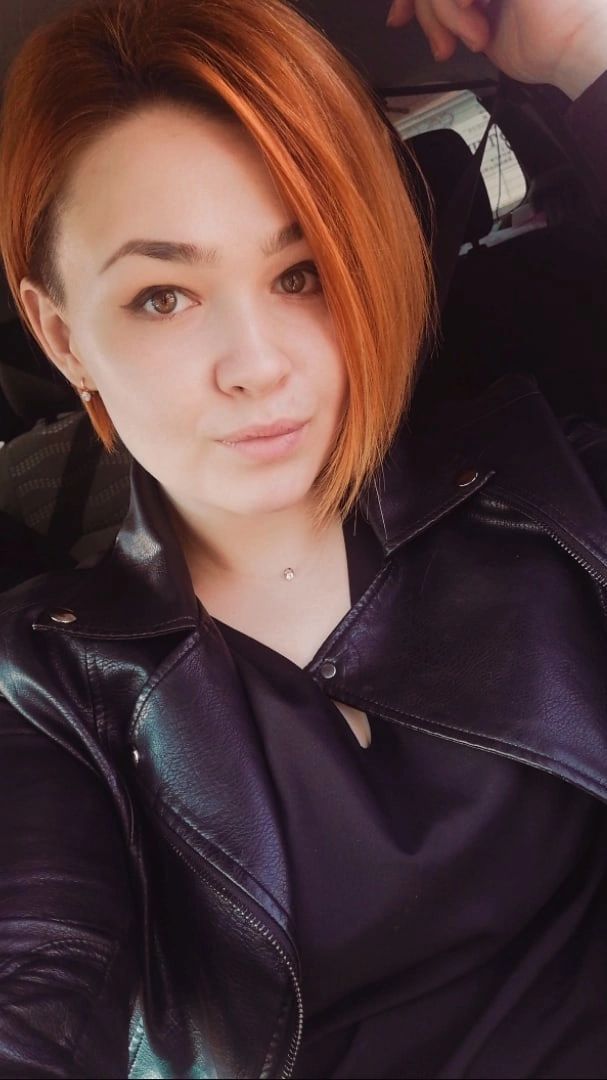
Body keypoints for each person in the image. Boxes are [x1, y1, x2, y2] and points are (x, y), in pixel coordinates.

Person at [1, 0, 607, 1076]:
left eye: (301, 273)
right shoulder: (43, 692)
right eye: (162, 296)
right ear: (62, 335)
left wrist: (579, 57)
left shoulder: (544, 479)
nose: (256, 364)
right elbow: (36, 991)